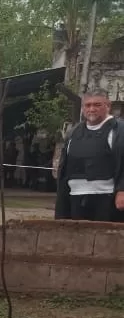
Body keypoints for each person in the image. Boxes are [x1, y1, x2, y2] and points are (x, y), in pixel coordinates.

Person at [55, 89, 124, 221]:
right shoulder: (74, 132)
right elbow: (64, 167)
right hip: (75, 197)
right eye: (88, 105)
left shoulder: (119, 130)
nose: (91, 109)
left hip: (106, 199)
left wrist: (122, 190)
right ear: (83, 108)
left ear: (108, 106)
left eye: (97, 105)